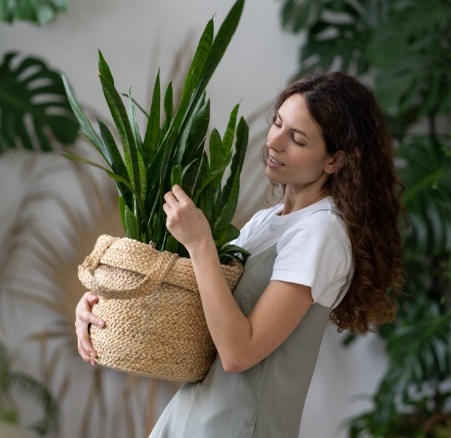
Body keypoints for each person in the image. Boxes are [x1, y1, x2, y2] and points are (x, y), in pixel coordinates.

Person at [75, 71, 404, 437]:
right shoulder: (267, 222)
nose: (274, 142)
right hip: (191, 418)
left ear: (334, 161)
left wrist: (200, 244)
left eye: (297, 139)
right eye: (277, 123)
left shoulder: (321, 233)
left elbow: (238, 353)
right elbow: (203, 321)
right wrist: (104, 306)